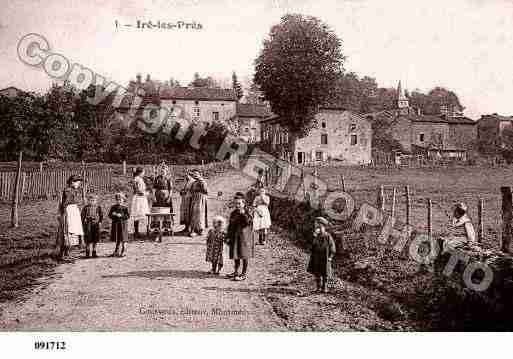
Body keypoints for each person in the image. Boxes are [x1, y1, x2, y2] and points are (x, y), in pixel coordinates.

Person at [226, 193, 254, 281]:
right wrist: (228, 236)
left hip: (244, 237)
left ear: (244, 203)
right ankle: (236, 271)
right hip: (235, 236)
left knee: (244, 254)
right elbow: (230, 225)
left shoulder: (247, 212)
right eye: (236, 203)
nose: (237, 205)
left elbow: (248, 222)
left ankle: (244, 273)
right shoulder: (234, 213)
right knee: (236, 254)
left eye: (239, 203)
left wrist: (243, 214)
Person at [56, 175, 84, 260]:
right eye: (77, 182)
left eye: (79, 183)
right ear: (72, 182)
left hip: (73, 210)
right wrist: (63, 212)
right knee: (67, 231)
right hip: (69, 211)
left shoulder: (74, 190)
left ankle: (67, 253)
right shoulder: (68, 190)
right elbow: (65, 202)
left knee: (72, 232)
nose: (79, 184)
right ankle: (63, 254)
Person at [307, 217, 336, 294]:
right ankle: (318, 287)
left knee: (325, 273)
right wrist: (314, 236)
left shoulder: (327, 236)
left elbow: (332, 247)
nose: (315, 226)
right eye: (315, 225)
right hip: (316, 256)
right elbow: (311, 246)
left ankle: (324, 288)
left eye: (317, 225)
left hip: (325, 257)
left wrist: (330, 257)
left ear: (321, 226)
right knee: (317, 272)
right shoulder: (315, 236)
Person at [129, 167, 150, 239]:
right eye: (144, 172)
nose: (144, 174)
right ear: (140, 172)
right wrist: (144, 193)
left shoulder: (140, 179)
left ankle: (144, 231)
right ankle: (136, 232)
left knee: (143, 214)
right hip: (138, 199)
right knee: (137, 214)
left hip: (142, 198)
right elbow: (136, 190)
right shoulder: (136, 179)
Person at [81, 193, 104, 258]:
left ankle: (94, 251)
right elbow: (82, 216)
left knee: (95, 238)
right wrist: (83, 222)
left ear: (96, 201)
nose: (92, 202)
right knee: (88, 238)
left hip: (95, 224)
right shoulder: (85, 208)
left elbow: (101, 215)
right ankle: (87, 252)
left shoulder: (98, 207)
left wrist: (100, 222)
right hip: (88, 225)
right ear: (88, 201)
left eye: (93, 200)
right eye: (90, 200)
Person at [109, 193, 130, 257]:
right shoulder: (113, 207)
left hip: (123, 225)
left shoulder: (125, 208)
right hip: (116, 225)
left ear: (123, 200)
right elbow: (109, 215)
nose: (119, 201)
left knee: (123, 237)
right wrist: (113, 214)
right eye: (117, 200)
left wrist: (121, 215)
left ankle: (124, 250)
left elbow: (128, 216)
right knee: (117, 237)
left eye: (120, 199)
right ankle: (117, 250)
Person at [188, 170, 208, 237]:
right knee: (193, 214)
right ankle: (194, 229)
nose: (195, 175)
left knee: (199, 213)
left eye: (196, 174)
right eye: (194, 174)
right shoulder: (194, 183)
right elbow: (191, 190)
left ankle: (200, 229)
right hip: (194, 199)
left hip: (200, 198)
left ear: (200, 174)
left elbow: (206, 191)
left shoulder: (202, 182)